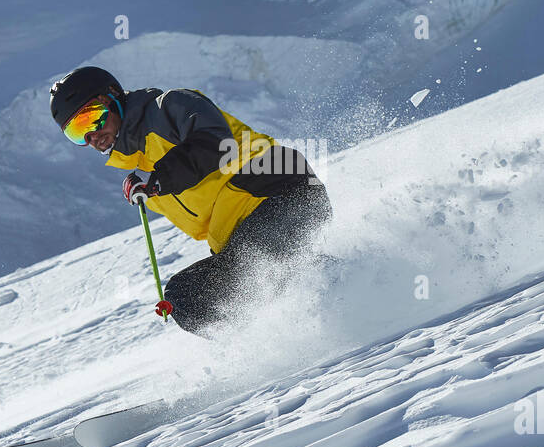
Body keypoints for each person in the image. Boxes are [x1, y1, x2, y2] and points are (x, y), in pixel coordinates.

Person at [50, 66, 332, 335]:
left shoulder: (169, 107)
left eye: (90, 118)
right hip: (247, 227)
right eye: (76, 132)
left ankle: (329, 297)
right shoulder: (144, 170)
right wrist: (150, 185)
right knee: (189, 299)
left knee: (231, 284)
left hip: (276, 187)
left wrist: (159, 181)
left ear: (112, 95)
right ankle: (290, 335)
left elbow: (216, 144)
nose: (91, 136)